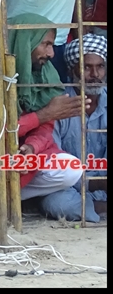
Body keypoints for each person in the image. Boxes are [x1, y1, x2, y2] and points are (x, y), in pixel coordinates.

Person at [0, 14, 85, 208]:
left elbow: (46, 128)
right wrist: (44, 114)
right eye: (46, 44)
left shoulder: (45, 72)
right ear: (25, 42)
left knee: (71, 169)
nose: (51, 54)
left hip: (20, 151)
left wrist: (31, 148)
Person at [45, 33, 108, 221]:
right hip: (69, 189)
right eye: (86, 67)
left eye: (100, 67)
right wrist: (97, 183)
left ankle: (94, 209)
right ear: (72, 70)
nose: (95, 75)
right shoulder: (60, 103)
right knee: (56, 203)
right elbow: (52, 161)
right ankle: (98, 209)